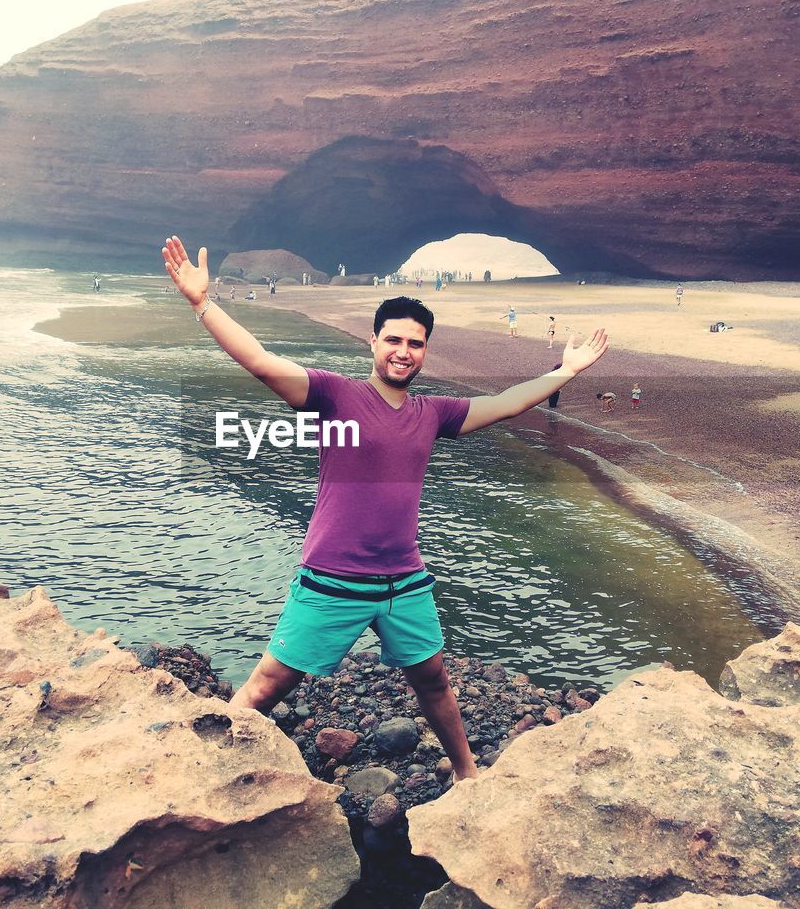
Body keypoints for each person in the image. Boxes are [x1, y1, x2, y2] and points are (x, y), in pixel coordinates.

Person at [161, 235, 608, 781]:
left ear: (424, 351)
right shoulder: (334, 396)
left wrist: (567, 371)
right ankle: (197, 772)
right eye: (393, 339)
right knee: (266, 686)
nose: (403, 351)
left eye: (415, 343)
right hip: (331, 578)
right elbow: (259, 361)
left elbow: (505, 403)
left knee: (434, 681)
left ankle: (468, 774)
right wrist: (203, 304)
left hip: (404, 583)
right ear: (373, 343)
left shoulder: (434, 413)